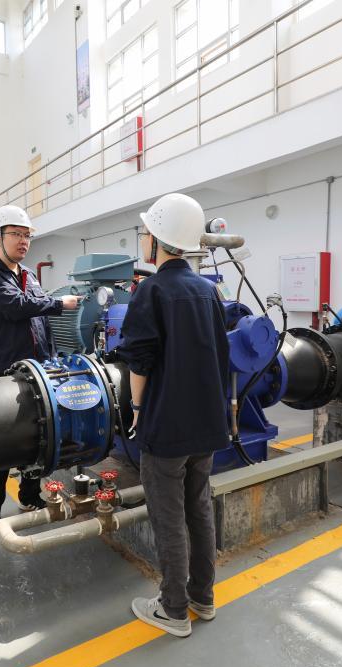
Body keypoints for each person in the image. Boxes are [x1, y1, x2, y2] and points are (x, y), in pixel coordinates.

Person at [118, 193, 231, 637]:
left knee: (168, 517)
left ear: (158, 238)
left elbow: (139, 362)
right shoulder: (208, 291)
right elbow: (223, 357)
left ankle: (173, 609)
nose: (144, 238)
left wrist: (139, 408)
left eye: (146, 232)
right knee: (199, 509)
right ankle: (203, 597)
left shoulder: (153, 290)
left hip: (166, 427)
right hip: (206, 425)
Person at [0, 205, 82, 522]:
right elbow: (16, 306)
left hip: (38, 371)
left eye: (27, 235)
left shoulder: (29, 275)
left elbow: (39, 320)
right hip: (4, 373)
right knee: (1, 442)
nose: (23, 241)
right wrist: (59, 304)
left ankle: (30, 496)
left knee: (38, 436)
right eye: (16, 234)